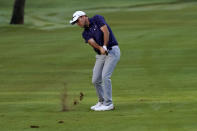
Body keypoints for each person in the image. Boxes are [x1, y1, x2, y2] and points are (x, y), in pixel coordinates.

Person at [70, 11, 120, 111]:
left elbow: (105, 31)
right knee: (96, 79)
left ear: (83, 17)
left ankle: (108, 103)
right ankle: (101, 101)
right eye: (76, 23)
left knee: (105, 76)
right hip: (101, 54)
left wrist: (105, 46)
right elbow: (92, 42)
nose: (78, 24)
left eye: (78, 21)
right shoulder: (85, 33)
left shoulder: (97, 19)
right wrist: (100, 48)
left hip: (112, 50)